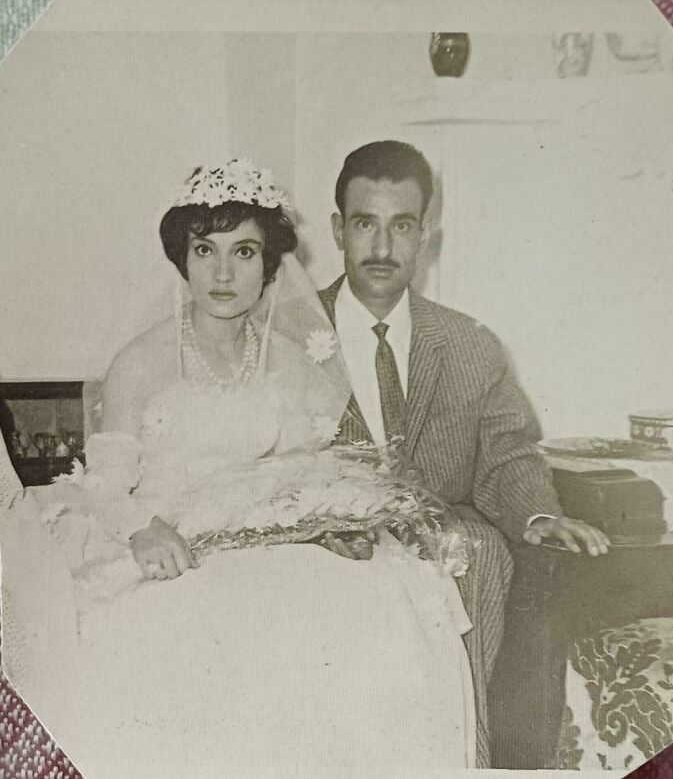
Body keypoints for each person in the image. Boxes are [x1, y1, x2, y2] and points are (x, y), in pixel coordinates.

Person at [0, 159, 477, 777]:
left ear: (269, 265)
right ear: (184, 259)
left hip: (266, 550)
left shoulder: (291, 365)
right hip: (171, 552)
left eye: (244, 252)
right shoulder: (140, 364)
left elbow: (315, 474)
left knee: (369, 609)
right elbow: (103, 487)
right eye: (206, 250)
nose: (223, 273)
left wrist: (335, 523)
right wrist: (144, 527)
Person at [318, 140, 611, 765]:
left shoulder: (470, 343)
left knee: (480, 557)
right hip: (330, 558)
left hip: (447, 558)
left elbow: (507, 453)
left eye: (402, 225)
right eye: (365, 223)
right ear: (339, 228)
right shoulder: (289, 333)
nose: (381, 247)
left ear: (426, 235)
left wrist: (539, 517)